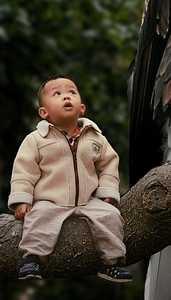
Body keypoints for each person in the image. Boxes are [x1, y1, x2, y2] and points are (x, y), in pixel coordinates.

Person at [8, 74, 132, 283]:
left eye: (71, 92)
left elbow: (109, 164)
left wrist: (108, 192)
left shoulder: (95, 137)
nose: (66, 97)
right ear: (43, 112)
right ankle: (31, 258)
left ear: (81, 108)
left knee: (110, 216)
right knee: (38, 219)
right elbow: (24, 170)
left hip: (88, 200)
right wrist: (22, 199)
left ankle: (112, 263)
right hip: (50, 200)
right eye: (57, 94)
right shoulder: (37, 139)